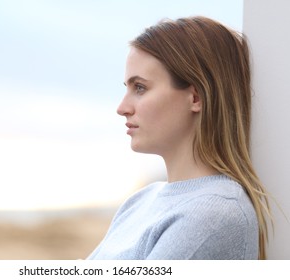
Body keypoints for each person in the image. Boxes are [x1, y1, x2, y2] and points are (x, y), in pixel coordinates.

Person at [87, 16, 271, 260]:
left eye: (140, 87)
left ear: (196, 98)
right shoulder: (139, 202)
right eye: (127, 88)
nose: (122, 107)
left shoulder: (215, 213)